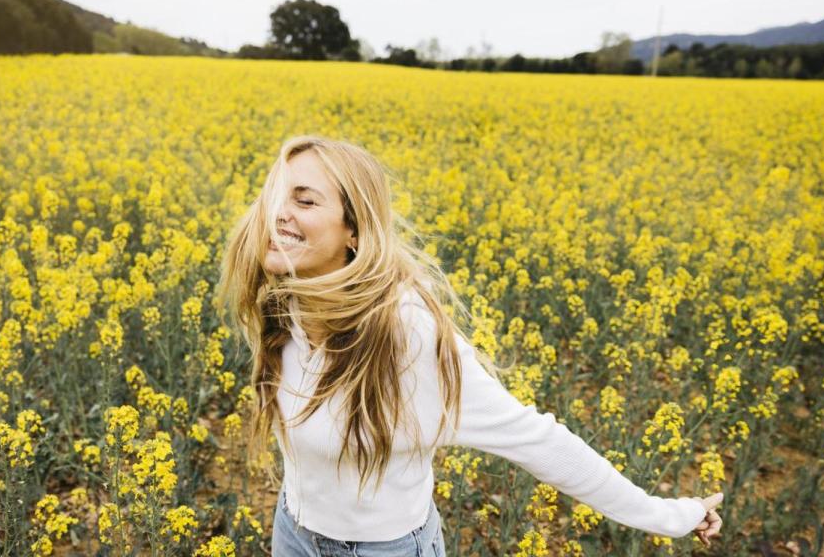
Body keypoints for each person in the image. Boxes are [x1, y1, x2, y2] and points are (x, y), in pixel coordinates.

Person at [215, 135, 723, 556]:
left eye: (304, 200)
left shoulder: (407, 333)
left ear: (355, 230)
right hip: (293, 532)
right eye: (276, 196)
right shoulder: (284, 301)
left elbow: (538, 441)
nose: (276, 214)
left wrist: (670, 515)